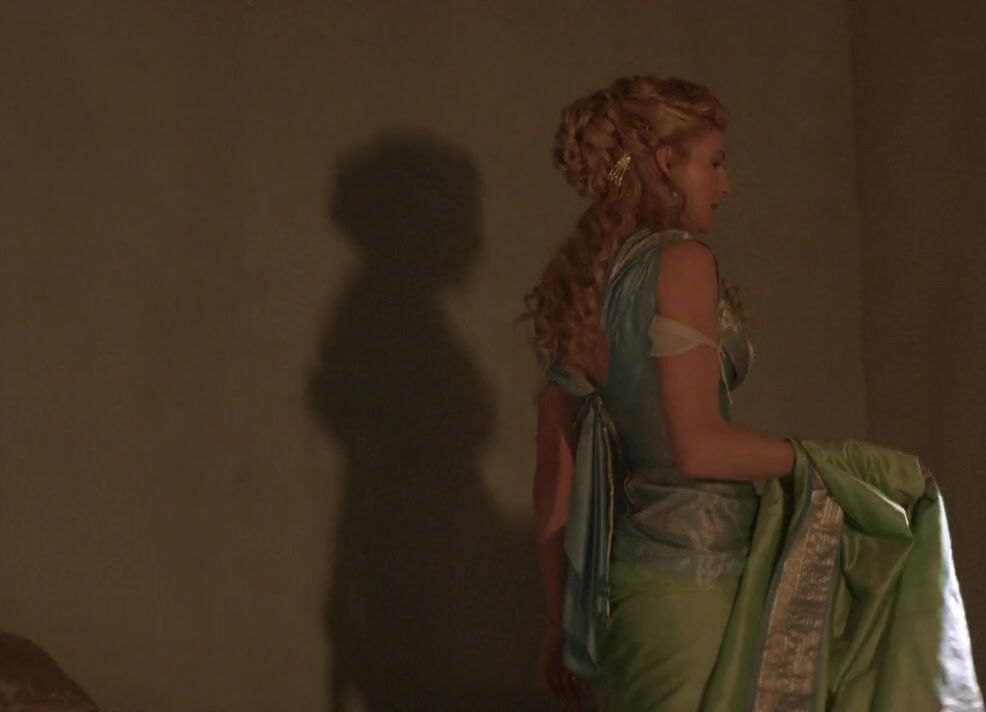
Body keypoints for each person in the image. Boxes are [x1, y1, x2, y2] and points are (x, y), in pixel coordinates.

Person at [523, 75, 982, 710]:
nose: (726, 185)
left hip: (618, 606)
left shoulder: (581, 284)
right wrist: (837, 465)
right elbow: (697, 448)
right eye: (714, 162)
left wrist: (558, 626)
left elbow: (554, 487)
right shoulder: (682, 262)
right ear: (667, 163)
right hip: (697, 589)